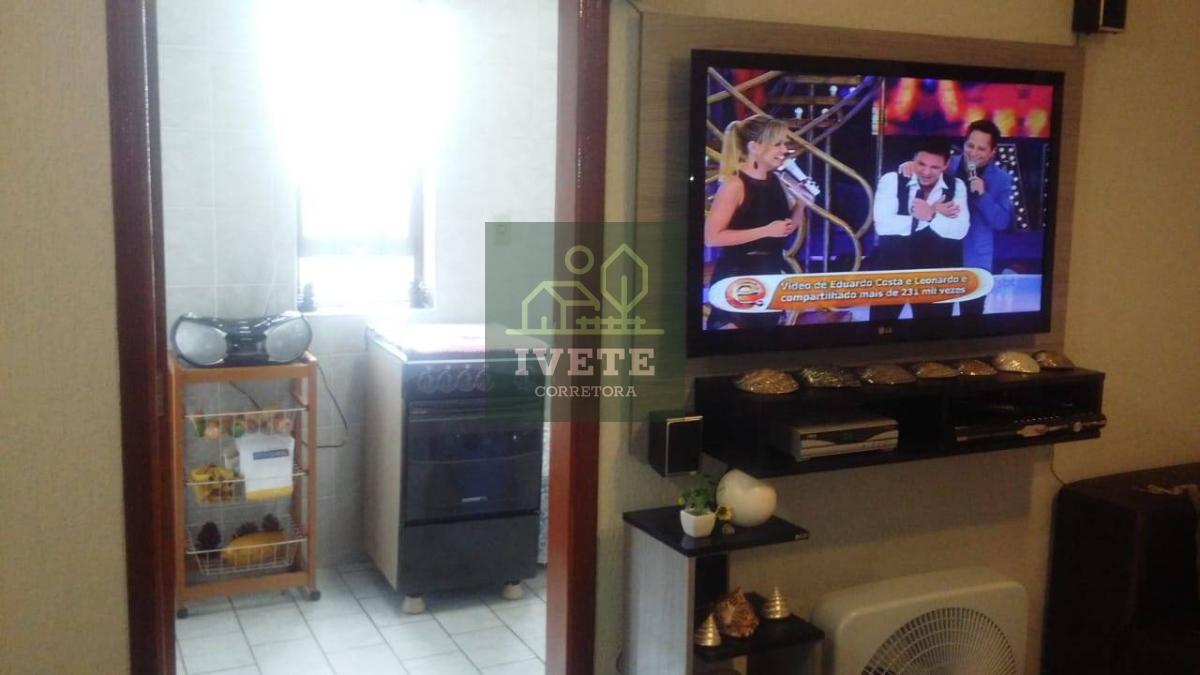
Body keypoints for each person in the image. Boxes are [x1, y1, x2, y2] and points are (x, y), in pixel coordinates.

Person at [704, 116, 807, 329]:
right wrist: (766, 230)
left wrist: (802, 204)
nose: (784, 150)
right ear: (754, 147)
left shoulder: (776, 180)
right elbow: (712, 238)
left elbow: (786, 228)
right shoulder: (734, 184)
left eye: (784, 143)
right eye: (777, 144)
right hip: (738, 276)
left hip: (770, 272)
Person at [870, 137, 969, 320]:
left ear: (946, 165)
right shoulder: (892, 180)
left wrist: (930, 215)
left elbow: (959, 230)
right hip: (892, 272)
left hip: (937, 275)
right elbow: (883, 225)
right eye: (921, 164)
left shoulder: (957, 186)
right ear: (914, 159)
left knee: (933, 333)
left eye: (934, 167)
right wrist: (932, 212)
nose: (926, 172)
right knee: (881, 328)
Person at [949, 120, 1014, 315]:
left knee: (971, 320)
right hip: (941, 252)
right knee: (934, 320)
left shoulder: (1002, 179)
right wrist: (909, 166)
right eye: (970, 145)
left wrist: (983, 195)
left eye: (981, 148)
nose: (973, 152)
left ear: (992, 152)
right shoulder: (946, 165)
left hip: (975, 258)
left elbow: (1001, 221)